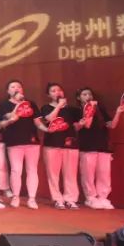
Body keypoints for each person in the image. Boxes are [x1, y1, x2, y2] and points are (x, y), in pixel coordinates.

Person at [77, 87, 124, 209]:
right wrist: (89, 110)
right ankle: (90, 198)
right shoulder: (77, 111)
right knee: (88, 174)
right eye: (84, 94)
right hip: (87, 146)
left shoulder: (100, 108)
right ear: (79, 98)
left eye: (89, 94)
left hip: (103, 145)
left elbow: (112, 125)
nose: (88, 96)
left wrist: (118, 112)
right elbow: (86, 125)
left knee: (104, 173)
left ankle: (103, 197)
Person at [37, 82, 82, 210]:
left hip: (70, 144)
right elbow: (49, 119)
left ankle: (71, 199)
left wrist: (82, 123)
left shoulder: (72, 110)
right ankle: (57, 199)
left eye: (59, 90)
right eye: (53, 91)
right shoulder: (46, 107)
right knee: (53, 174)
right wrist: (59, 106)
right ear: (49, 95)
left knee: (70, 173)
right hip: (52, 144)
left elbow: (77, 127)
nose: (57, 92)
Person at [0, 80, 41, 209]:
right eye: (13, 87)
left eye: (19, 86)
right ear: (8, 91)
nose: (16, 88)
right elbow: (9, 117)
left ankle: (32, 198)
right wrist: (19, 104)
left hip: (32, 141)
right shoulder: (4, 105)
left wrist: (46, 129)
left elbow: (37, 122)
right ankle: (15, 196)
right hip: (14, 141)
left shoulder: (31, 104)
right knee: (16, 170)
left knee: (32, 170)